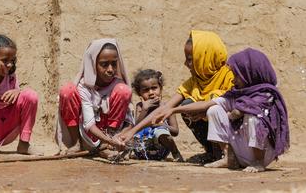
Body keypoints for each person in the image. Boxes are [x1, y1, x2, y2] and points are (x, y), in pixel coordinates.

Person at [153, 48, 290, 173]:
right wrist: (174, 110)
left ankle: (258, 162)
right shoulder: (236, 93)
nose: (234, 80)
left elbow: (250, 108)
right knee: (214, 109)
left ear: (249, 74)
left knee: (254, 115)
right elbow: (207, 104)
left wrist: (238, 111)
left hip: (263, 152)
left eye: (237, 76)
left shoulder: (267, 93)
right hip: (242, 149)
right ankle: (229, 158)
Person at [121, 30, 234, 163]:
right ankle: (212, 153)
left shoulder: (231, 77)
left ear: (205, 57)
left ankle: (228, 153)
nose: (186, 64)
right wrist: (132, 132)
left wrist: (197, 110)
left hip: (236, 136)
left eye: (191, 59)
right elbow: (165, 108)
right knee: (188, 105)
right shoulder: (195, 81)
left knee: (209, 109)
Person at [55, 38, 133, 160]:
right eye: (104, 64)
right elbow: (89, 124)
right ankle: (76, 143)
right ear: (93, 64)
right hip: (86, 133)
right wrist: (112, 141)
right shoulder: (84, 86)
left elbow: (129, 121)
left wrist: (112, 140)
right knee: (67, 91)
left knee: (124, 91)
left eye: (114, 63)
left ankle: (105, 146)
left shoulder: (118, 85)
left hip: (110, 136)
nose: (110, 69)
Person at [131, 69, 183, 161]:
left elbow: (175, 131)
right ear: (140, 93)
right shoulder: (140, 106)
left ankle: (175, 152)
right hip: (143, 150)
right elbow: (136, 129)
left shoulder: (167, 106)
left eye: (154, 88)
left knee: (160, 132)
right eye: (146, 90)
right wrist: (145, 109)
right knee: (132, 137)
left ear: (160, 88)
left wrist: (162, 125)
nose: (151, 93)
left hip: (161, 150)